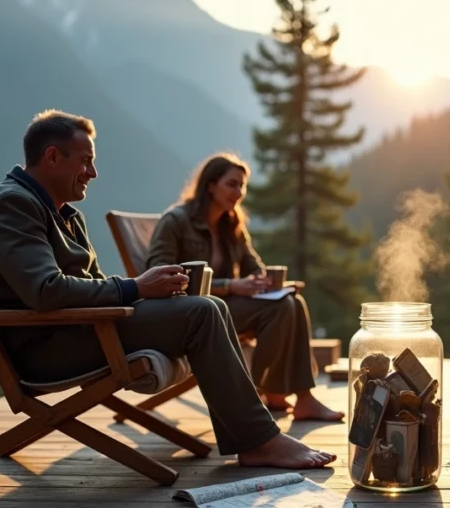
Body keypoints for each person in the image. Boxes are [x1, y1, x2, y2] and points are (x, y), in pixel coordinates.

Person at [0, 109, 335, 469]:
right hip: (49, 347)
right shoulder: (12, 204)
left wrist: (144, 291)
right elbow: (46, 290)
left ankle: (255, 434)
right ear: (51, 157)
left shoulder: (62, 214)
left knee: (210, 307)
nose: (93, 173)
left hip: (83, 329)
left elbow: (89, 284)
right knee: (202, 311)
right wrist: (136, 287)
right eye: (86, 161)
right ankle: (258, 441)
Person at [145, 152, 344, 422]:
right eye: (232, 184)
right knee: (280, 308)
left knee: (292, 301)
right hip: (191, 312)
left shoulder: (231, 224)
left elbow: (252, 266)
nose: (239, 192)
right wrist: (230, 286)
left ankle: (300, 398)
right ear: (210, 185)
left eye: (242, 185)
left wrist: (272, 284)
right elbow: (159, 274)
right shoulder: (176, 221)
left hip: (222, 307)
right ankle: (266, 392)